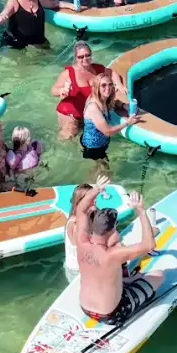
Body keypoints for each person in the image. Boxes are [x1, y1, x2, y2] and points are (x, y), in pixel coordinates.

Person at [75, 191, 158, 323]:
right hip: (111, 313)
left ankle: (127, 281)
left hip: (84, 307)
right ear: (113, 228)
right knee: (159, 276)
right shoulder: (113, 255)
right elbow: (149, 245)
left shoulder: (81, 242)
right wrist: (141, 211)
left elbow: (81, 209)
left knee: (117, 247)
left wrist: (96, 188)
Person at [0, 0, 74, 49]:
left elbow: (54, 4)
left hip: (37, 39)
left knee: (51, 55)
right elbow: (6, 11)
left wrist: (72, 6)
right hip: (15, 41)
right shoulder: (14, 0)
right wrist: (2, 17)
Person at [64, 174, 119, 278]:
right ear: (81, 202)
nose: (95, 200)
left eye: (95, 197)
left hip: (88, 263)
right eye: (91, 198)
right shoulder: (75, 224)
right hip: (77, 271)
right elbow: (87, 249)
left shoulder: (93, 212)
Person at [53, 41, 111, 140]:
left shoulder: (99, 69)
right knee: (68, 139)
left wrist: (120, 86)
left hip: (87, 114)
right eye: (81, 57)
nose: (85, 59)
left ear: (91, 54)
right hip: (70, 114)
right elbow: (54, 90)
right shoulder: (69, 73)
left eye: (87, 55)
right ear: (76, 58)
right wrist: (61, 91)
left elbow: (112, 74)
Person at [81, 72, 141, 163]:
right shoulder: (93, 106)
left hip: (101, 142)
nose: (108, 88)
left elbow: (112, 104)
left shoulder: (104, 99)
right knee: (103, 171)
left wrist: (124, 106)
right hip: (93, 147)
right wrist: (128, 122)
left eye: (110, 85)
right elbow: (108, 132)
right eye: (103, 85)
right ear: (97, 87)